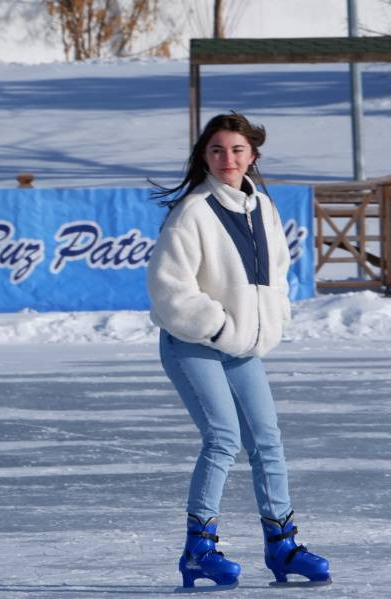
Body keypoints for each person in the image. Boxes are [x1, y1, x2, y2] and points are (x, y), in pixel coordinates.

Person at [146, 112, 332, 591]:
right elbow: (169, 290)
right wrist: (219, 326)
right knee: (224, 437)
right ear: (203, 157)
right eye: (216, 151)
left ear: (252, 156)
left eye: (236, 150)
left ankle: (282, 544)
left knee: (267, 440)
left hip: (244, 346)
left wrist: (270, 322)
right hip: (192, 344)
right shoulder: (192, 211)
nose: (227, 159)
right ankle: (198, 549)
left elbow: (277, 273)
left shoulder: (263, 207)